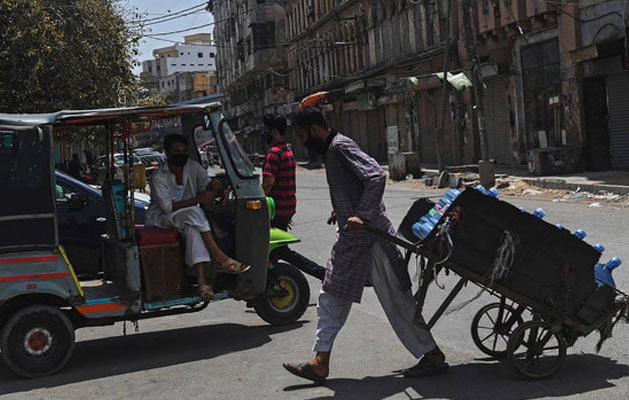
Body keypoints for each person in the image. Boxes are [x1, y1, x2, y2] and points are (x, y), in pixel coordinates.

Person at [282, 106, 447, 383]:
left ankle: (432, 355)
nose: (301, 142)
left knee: (396, 300)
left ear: (315, 130)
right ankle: (320, 361)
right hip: (352, 242)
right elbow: (356, 185)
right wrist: (345, 210)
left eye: (301, 135)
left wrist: (363, 214)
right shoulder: (332, 151)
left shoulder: (339, 147)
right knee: (331, 296)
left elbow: (374, 175)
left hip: (372, 241)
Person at [146, 134, 250, 301]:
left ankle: (202, 282)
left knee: (192, 230)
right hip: (162, 220)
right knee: (194, 211)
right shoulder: (158, 176)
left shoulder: (193, 167)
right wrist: (197, 200)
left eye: (184, 151)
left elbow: (205, 183)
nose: (181, 154)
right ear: (167, 153)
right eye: (176, 151)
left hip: (188, 219)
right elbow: (166, 207)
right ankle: (219, 257)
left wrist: (213, 186)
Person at [261, 114, 325, 281]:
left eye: (266, 130)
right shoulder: (288, 150)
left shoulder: (273, 153)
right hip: (287, 207)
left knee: (277, 250)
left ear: (274, 132)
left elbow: (268, 184)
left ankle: (322, 274)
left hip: (277, 209)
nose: (264, 133)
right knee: (273, 251)